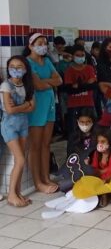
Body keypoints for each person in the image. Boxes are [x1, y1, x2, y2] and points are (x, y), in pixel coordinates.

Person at [26, 33, 62, 194]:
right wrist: (49, 82)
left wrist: (45, 81)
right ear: (30, 45)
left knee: (46, 144)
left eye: (45, 43)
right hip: (36, 107)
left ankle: (45, 177)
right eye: (39, 43)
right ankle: (37, 182)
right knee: (35, 146)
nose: (43, 46)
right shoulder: (27, 62)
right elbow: (38, 86)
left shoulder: (47, 61)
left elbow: (59, 80)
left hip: (50, 106)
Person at [0, 56, 35, 206]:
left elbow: (33, 107)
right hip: (9, 126)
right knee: (20, 159)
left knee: (19, 161)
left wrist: (20, 107)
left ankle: (17, 193)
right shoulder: (5, 86)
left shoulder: (27, 85)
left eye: (19, 67)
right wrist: (25, 105)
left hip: (23, 125)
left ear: (25, 69)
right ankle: (11, 196)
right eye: (12, 66)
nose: (15, 69)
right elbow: (9, 110)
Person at [85, 127, 111, 207]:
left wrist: (100, 173)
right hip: (100, 177)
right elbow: (94, 167)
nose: (100, 144)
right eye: (98, 141)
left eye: (103, 141)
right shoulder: (97, 153)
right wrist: (88, 166)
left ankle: (106, 194)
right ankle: (103, 194)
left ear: (110, 142)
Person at [64, 45, 97, 132]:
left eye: (82, 55)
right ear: (72, 56)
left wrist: (77, 86)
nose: (80, 57)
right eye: (77, 55)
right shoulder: (69, 71)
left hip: (88, 104)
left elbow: (93, 86)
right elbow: (69, 90)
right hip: (74, 105)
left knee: (90, 130)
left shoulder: (89, 68)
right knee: (74, 131)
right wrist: (86, 84)